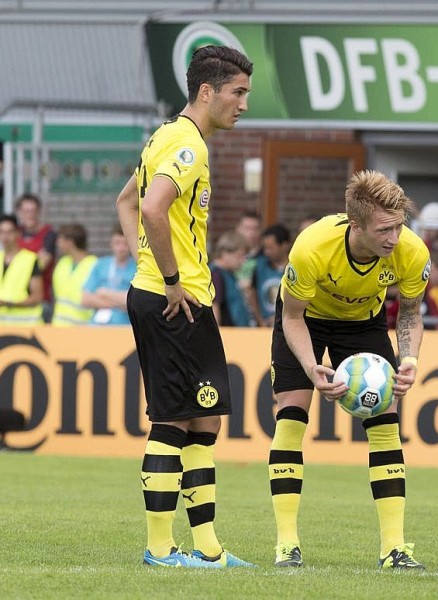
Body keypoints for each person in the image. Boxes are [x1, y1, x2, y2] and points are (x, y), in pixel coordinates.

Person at [115, 45, 255, 569]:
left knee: (204, 420)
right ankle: (158, 549)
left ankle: (210, 550)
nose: (243, 104)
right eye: (237, 93)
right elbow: (149, 206)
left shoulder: (169, 138)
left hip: (183, 299)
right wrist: (167, 279)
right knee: (173, 421)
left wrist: (145, 260)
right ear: (207, 91)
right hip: (174, 301)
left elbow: (125, 202)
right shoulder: (185, 145)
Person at [268, 170, 430, 570]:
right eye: (384, 230)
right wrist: (311, 366)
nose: (394, 238)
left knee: (387, 421)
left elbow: (409, 312)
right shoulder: (311, 248)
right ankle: (287, 544)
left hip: (364, 322)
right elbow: (292, 317)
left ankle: (394, 549)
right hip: (306, 320)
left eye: (399, 226)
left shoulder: (412, 252)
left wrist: (408, 359)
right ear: (355, 225)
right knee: (291, 414)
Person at [81, 224, 137, 325]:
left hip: (125, 327)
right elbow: (85, 299)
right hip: (98, 326)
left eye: (125, 243)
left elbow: (134, 302)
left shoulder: (137, 267)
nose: (121, 248)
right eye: (117, 243)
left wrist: (104, 293)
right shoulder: (101, 264)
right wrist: (120, 303)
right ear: (111, 243)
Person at [15, 193, 57, 321]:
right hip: (16, 298)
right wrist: (35, 258)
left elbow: (42, 265)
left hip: (41, 298)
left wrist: (17, 264)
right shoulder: (15, 233)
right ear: (19, 212)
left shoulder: (48, 234)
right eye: (26, 211)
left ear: (39, 211)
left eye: (33, 211)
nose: (30, 215)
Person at [0, 214, 44, 325]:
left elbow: (37, 297)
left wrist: (8, 303)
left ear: (17, 233)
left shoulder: (30, 259)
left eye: (9, 232)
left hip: (24, 325)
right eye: (2, 232)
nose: (5, 236)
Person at [51, 224, 98, 326]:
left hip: (83, 327)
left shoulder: (94, 264)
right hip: (58, 327)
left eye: (60, 239)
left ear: (70, 242)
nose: (57, 243)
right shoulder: (62, 263)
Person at [210, 230, 254, 327]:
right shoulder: (216, 275)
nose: (242, 261)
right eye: (239, 256)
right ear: (225, 253)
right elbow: (215, 306)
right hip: (228, 333)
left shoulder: (229, 274)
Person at [252, 223, 291, 326]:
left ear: (284, 245)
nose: (266, 252)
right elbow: (253, 295)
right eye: (265, 248)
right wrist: (260, 322)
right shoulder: (259, 266)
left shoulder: (295, 268)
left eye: (270, 248)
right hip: (264, 327)